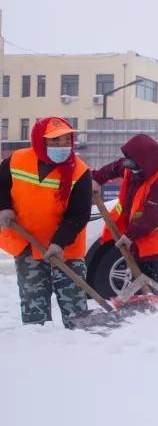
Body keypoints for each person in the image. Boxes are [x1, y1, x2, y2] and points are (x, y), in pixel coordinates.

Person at [0, 117, 92, 328]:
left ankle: (80, 346)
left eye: (66, 140)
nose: (62, 146)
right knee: (33, 302)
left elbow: (78, 214)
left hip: (66, 248)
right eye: (55, 141)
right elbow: (2, 186)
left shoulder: (79, 171)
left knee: (73, 302)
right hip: (27, 243)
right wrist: (3, 207)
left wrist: (59, 243)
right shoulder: (16, 160)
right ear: (41, 141)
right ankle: (38, 347)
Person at [92, 134, 158, 295]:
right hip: (142, 242)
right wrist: (97, 178)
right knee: (144, 289)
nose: (127, 164)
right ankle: (145, 313)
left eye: (131, 161)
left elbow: (152, 217)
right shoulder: (135, 168)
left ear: (145, 163)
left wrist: (129, 236)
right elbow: (116, 167)